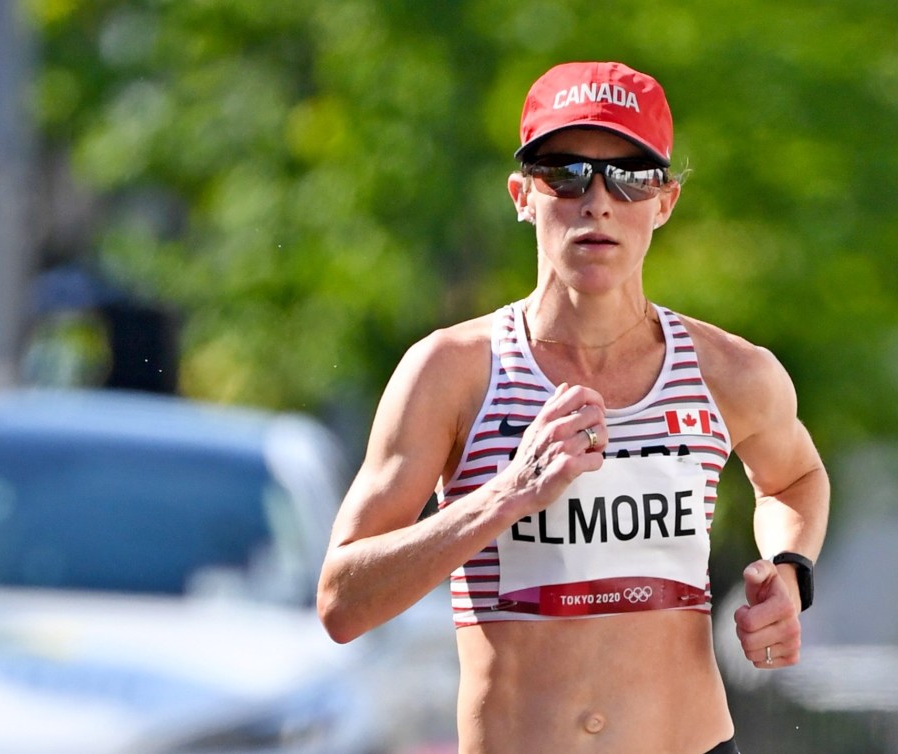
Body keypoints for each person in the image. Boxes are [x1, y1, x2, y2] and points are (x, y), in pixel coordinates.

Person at [317, 61, 830, 754]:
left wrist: (789, 571)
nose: (598, 201)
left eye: (630, 176)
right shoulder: (452, 371)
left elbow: (795, 479)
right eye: (565, 173)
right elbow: (342, 602)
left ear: (666, 201)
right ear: (523, 194)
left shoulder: (729, 372)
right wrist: (504, 496)